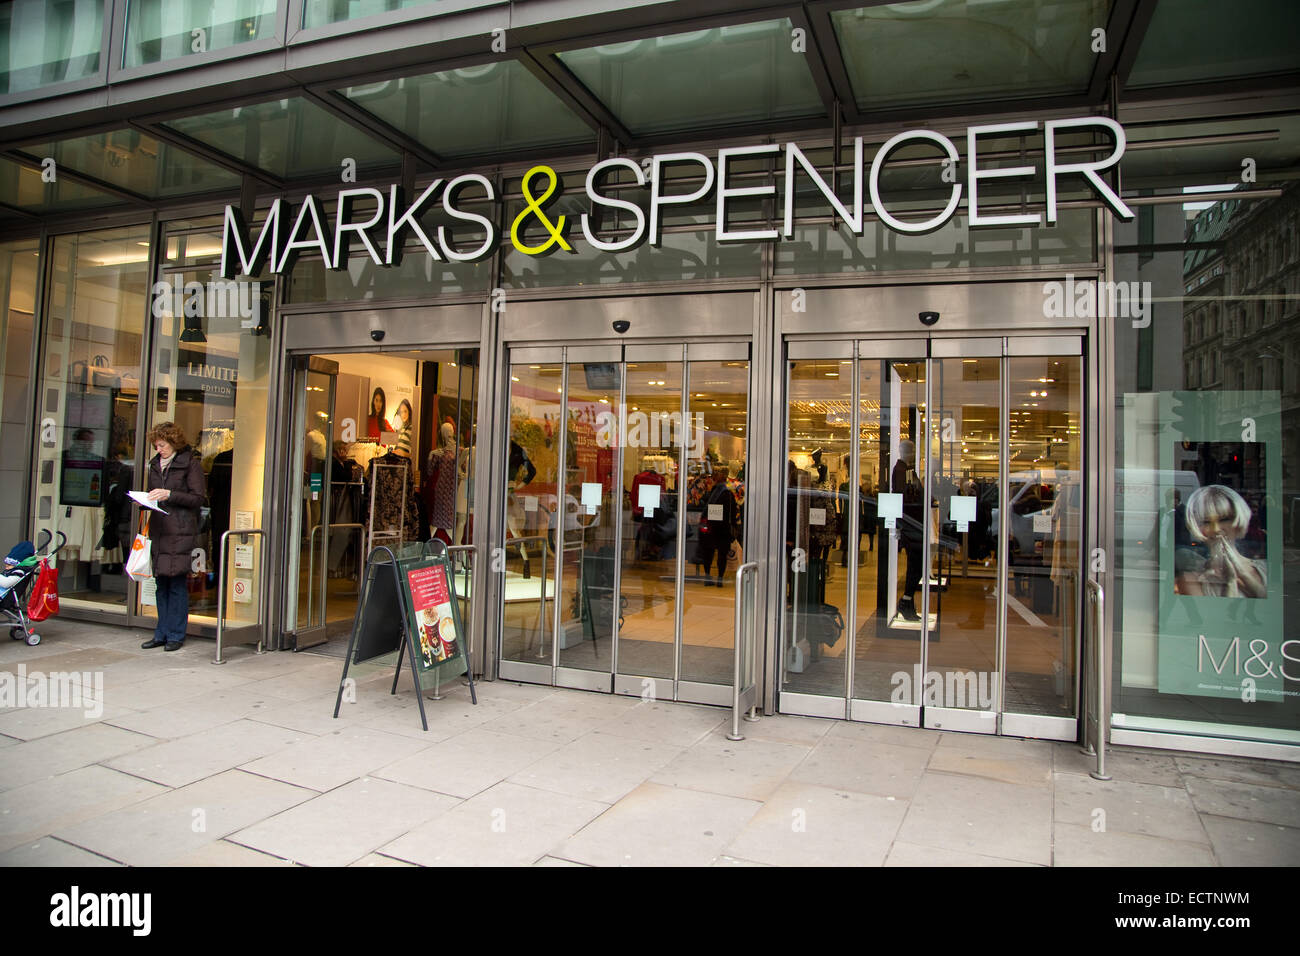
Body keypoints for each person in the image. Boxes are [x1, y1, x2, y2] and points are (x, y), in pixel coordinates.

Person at [141, 422, 206, 651]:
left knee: (177, 583)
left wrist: (170, 494)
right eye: (156, 445)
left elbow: (198, 498)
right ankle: (161, 632)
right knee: (161, 584)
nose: (158, 449)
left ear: (173, 442)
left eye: (162, 445)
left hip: (180, 531)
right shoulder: (155, 465)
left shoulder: (190, 464)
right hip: (160, 530)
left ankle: (176, 635)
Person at [1175, 484, 1267, 598]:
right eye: (1206, 522)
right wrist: (1231, 583)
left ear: (1238, 520)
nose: (1216, 529)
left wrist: (1243, 574)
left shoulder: (1266, 569)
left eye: (1224, 519)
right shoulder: (1190, 579)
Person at [695, 466, 737, 586]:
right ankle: (719, 578)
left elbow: (708, 508)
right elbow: (732, 512)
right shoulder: (727, 493)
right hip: (723, 527)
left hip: (712, 526)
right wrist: (733, 526)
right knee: (721, 554)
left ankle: (709, 577)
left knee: (709, 552)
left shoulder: (715, 491)